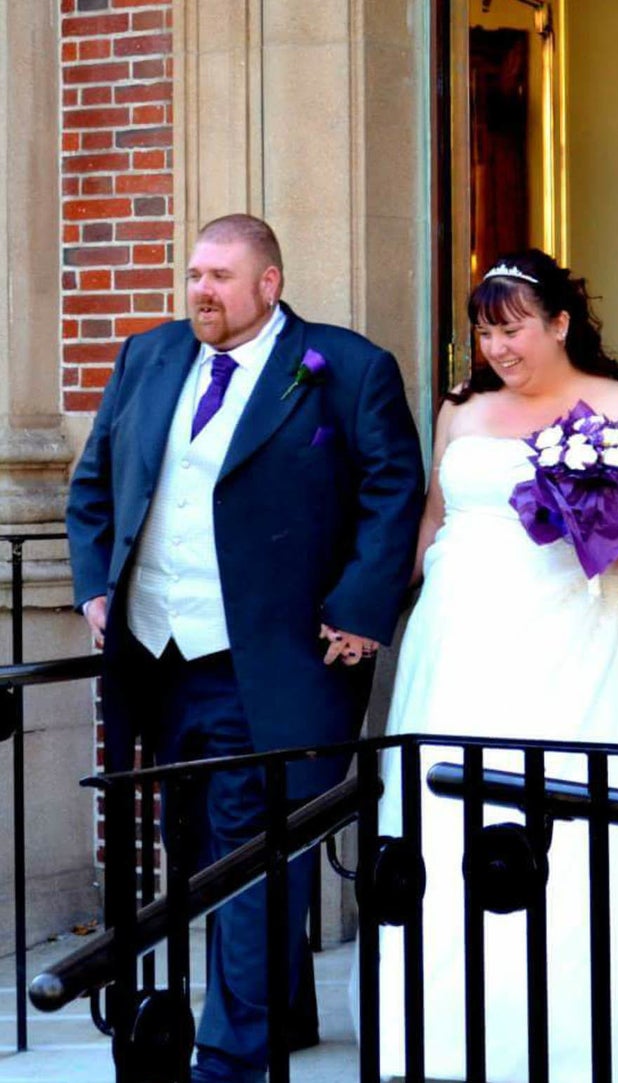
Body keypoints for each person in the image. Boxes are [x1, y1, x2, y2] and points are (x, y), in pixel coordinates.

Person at [66, 212, 424, 1083]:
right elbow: (94, 485)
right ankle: (279, 1007)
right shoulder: (147, 357)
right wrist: (94, 587)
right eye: (193, 274)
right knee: (194, 849)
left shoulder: (345, 368)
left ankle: (230, 1060)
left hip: (277, 660)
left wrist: (363, 608)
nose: (201, 292)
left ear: (270, 283)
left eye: (220, 276)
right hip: (157, 657)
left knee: (250, 854)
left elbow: (393, 490)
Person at [368, 248, 618, 1081]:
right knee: (445, 815)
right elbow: (434, 523)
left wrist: (605, 544)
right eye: (485, 331)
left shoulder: (615, 406)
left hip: (579, 644)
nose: (498, 347)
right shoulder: (461, 408)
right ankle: (452, 1030)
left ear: (560, 324)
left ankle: (599, 1026)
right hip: (458, 646)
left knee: (578, 814)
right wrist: (374, 613)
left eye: (514, 327)